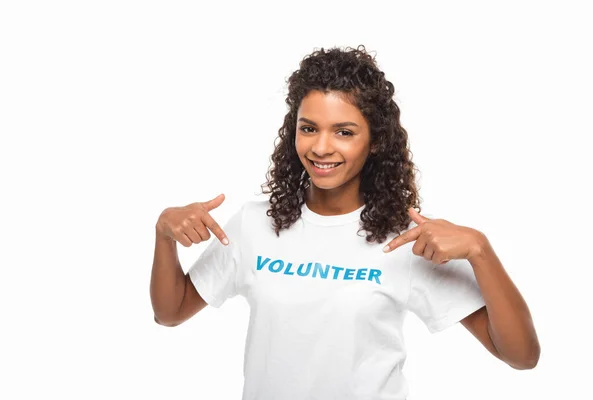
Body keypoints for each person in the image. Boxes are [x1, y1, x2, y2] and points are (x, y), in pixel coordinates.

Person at [150, 45, 540, 399]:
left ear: (375, 141)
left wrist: (480, 250)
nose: (321, 147)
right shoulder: (255, 224)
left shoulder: (410, 240)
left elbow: (521, 356)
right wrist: (163, 234)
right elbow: (170, 312)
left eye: (344, 132)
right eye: (309, 128)